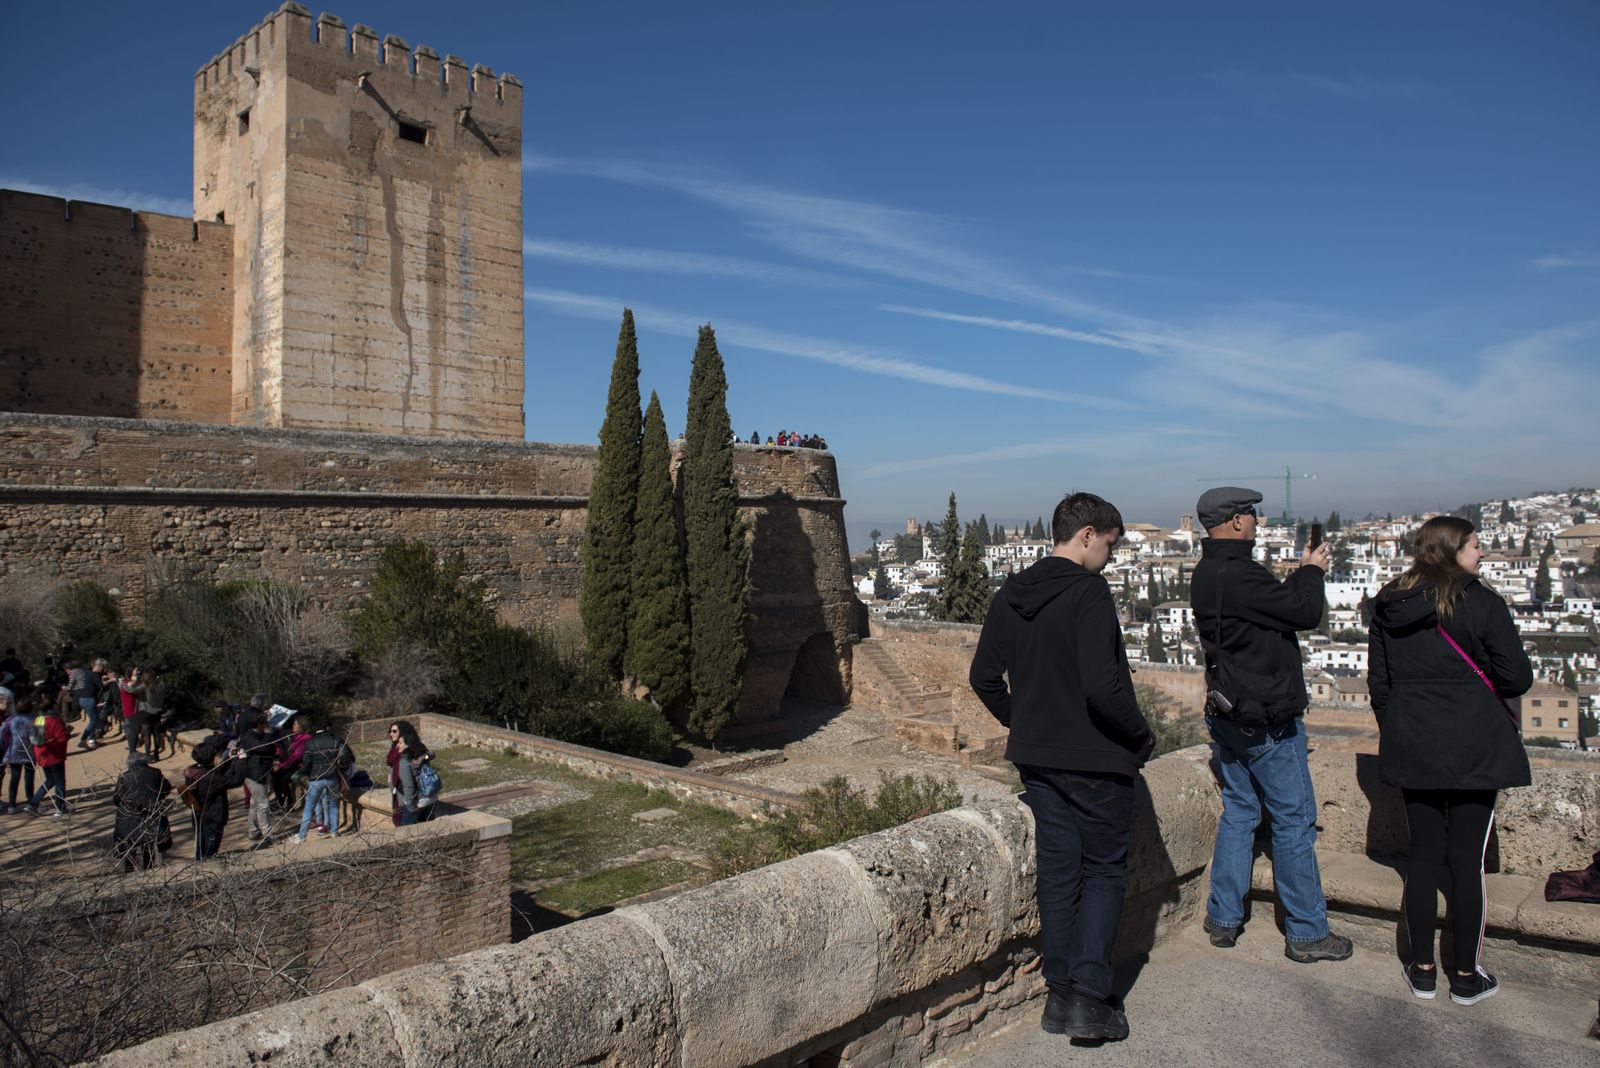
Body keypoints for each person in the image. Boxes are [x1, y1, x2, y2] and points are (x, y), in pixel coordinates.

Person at [969, 492, 1155, 1041]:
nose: (1110, 558)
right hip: (1096, 757)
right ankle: (1091, 1000)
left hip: (1039, 760)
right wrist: (1139, 735)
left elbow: (983, 677)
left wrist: (1023, 722)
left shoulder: (1011, 594)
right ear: (1088, 534)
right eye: (1111, 546)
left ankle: (1059, 996)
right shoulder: (1088, 593)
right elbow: (1104, 686)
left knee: (1058, 872)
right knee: (1101, 871)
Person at [1368, 516, 1533, 1005]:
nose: (1482, 555)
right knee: (1466, 863)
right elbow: (1516, 678)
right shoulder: (1480, 602)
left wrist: (1403, 728)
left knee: (1422, 857)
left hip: (1413, 745)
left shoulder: (1388, 603)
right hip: (1473, 750)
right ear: (1452, 550)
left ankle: (1421, 971)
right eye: (1477, 546)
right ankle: (1465, 974)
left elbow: (1380, 686)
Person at [1190, 487, 1351, 964]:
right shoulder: (1242, 573)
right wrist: (1312, 573)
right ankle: (1306, 930)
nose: (1257, 523)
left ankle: (1223, 918)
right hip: (1267, 720)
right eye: (1252, 516)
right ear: (1236, 522)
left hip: (1228, 714)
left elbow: (1270, 609)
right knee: (1294, 822)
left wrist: (1296, 577)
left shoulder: (1206, 572)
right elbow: (1303, 613)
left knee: (1240, 812)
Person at [183, 740, 248, 860]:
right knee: (209, 851)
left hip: (199, 816)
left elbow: (215, 772)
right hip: (212, 817)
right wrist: (243, 759)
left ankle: (200, 864)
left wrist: (229, 759)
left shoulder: (192, 772)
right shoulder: (210, 778)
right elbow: (236, 780)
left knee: (200, 847)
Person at [111, 752, 173, 870]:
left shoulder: (124, 776)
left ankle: (129, 871)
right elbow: (166, 789)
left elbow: (116, 798)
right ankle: (148, 870)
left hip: (129, 817)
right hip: (151, 813)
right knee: (148, 844)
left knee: (129, 845)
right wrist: (156, 798)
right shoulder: (155, 773)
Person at [293, 720, 353, 843]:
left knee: (309, 807)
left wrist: (310, 771)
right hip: (333, 778)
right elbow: (345, 757)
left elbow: (306, 763)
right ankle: (334, 832)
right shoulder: (337, 740)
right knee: (333, 805)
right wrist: (342, 767)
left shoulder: (310, 743)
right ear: (327, 728)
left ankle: (302, 835)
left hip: (316, 778)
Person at [236, 703, 278, 847]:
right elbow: (264, 748)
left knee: (255, 804)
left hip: (261, 772)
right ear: (259, 724)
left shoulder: (258, 735)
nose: (267, 725)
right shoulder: (249, 737)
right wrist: (268, 735)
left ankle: (253, 830)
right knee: (263, 805)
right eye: (265, 723)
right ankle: (268, 834)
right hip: (255, 774)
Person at [26, 695, 71, 816]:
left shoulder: (38, 720)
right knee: (60, 782)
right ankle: (60, 808)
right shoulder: (54, 720)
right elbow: (62, 738)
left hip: (42, 755)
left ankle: (33, 803)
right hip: (54, 754)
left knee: (50, 780)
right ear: (53, 706)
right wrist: (67, 732)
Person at [394, 721, 440, 825]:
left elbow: (409, 786)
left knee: (404, 832)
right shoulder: (420, 755)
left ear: (408, 745)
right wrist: (425, 756)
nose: (398, 745)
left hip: (418, 802)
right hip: (431, 799)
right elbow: (432, 753)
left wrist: (410, 807)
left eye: (400, 743)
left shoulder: (405, 762)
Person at [3, 688, 36, 813]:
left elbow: (4, 736)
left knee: (14, 780)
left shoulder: (10, 720)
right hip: (29, 752)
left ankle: (12, 805)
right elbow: (35, 737)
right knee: (29, 779)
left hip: (13, 753)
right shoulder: (34, 720)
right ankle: (30, 802)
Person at [273, 713, 313, 811]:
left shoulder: (305, 738)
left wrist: (281, 765)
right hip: (294, 764)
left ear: (302, 726)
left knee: (282, 778)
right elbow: (280, 734)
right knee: (275, 777)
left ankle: (288, 804)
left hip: (301, 766)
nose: (293, 726)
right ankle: (282, 803)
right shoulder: (296, 736)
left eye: (295, 724)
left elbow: (296, 757)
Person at [67, 660, 101, 749]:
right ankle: (83, 739)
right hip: (89, 698)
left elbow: (70, 687)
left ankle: (91, 738)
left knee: (92, 719)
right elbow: (100, 686)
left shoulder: (74, 673)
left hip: (81, 698)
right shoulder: (87, 672)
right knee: (93, 720)